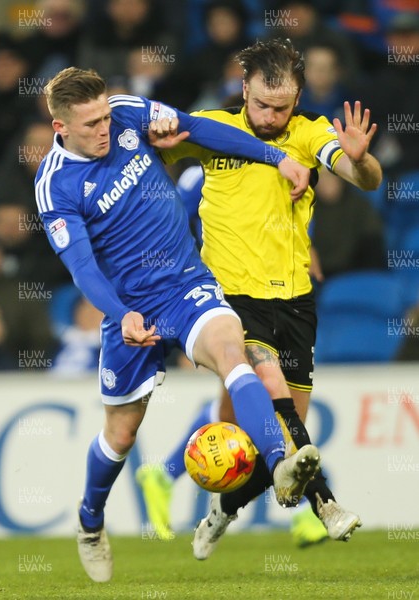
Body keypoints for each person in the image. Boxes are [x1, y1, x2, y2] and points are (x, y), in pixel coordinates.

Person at [35, 66, 318, 583]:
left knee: (234, 354)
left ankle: (279, 463)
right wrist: (122, 316)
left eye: (104, 117)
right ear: (61, 128)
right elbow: (81, 267)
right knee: (121, 436)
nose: (104, 128)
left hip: (187, 283)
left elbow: (199, 128)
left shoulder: (128, 112)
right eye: (91, 124)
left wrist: (277, 157)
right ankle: (90, 521)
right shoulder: (55, 186)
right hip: (131, 308)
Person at [137, 38, 381, 555]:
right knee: (267, 387)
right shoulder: (212, 127)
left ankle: (221, 511)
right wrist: (150, 132)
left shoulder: (311, 131)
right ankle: (327, 507)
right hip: (227, 300)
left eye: (282, 107)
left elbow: (361, 175)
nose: (271, 117)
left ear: (298, 98)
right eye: (263, 105)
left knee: (284, 447)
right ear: (244, 89)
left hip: (294, 300)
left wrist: (360, 164)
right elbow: (147, 153)